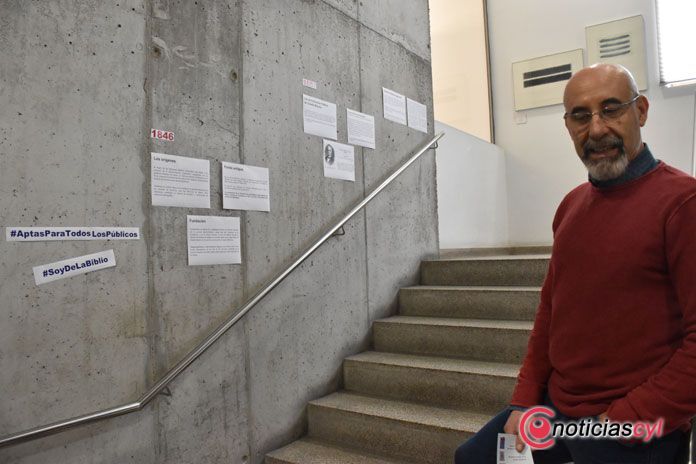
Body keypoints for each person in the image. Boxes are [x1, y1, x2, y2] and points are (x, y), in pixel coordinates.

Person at [454, 63, 696, 463]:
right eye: (581, 116)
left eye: (611, 109)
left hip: (633, 422)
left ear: (641, 111)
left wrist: (625, 417)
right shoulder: (571, 206)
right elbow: (550, 314)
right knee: (473, 458)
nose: (596, 129)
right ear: (568, 126)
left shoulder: (683, 203)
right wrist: (523, 400)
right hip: (557, 408)